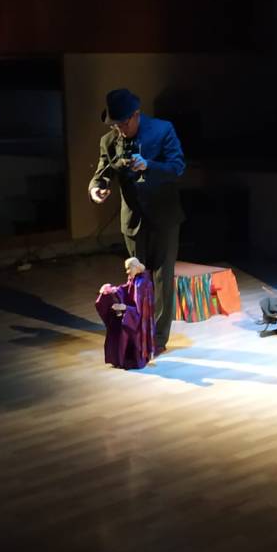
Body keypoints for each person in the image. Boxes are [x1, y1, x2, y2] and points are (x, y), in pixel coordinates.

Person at [89, 88, 185, 354]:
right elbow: (102, 173)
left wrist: (149, 165)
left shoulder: (162, 130)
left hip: (164, 216)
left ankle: (158, 339)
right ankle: (138, 333)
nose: (119, 129)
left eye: (123, 123)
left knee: (162, 278)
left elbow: (177, 166)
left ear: (136, 115)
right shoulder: (109, 140)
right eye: (115, 124)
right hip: (133, 219)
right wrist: (96, 189)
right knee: (137, 279)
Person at [95, 256, 155, 369]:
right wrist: (111, 290)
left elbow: (141, 311)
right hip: (130, 313)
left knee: (124, 327)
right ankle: (119, 359)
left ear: (136, 267)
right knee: (115, 322)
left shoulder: (143, 284)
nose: (127, 272)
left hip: (138, 321)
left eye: (129, 268)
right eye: (126, 269)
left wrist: (125, 308)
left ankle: (131, 359)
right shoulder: (133, 279)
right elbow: (125, 289)